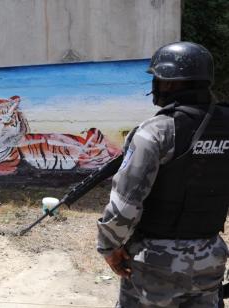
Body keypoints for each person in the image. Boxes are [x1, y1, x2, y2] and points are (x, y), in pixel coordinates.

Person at [97, 41, 229, 307]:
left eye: (157, 79)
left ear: (169, 83)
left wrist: (109, 248)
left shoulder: (156, 132)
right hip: (210, 261)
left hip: (154, 265)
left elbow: (125, 205)